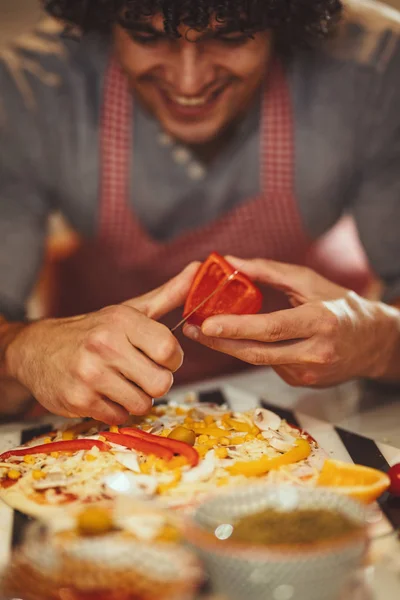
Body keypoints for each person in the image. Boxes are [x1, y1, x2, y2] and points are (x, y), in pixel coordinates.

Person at [0, 0, 400, 423]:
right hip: (99, 406)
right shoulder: (27, 89)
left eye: (230, 36)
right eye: (147, 36)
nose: (188, 81)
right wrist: (22, 352)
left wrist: (382, 341)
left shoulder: (377, 67)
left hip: (302, 397)